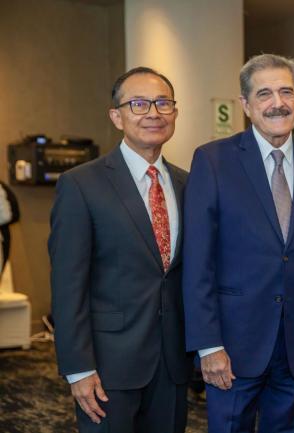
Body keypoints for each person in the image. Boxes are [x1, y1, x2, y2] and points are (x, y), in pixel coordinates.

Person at [182, 53, 294, 433]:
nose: (278, 103)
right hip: (232, 348)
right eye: (264, 94)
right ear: (245, 104)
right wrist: (208, 346)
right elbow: (198, 263)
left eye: (286, 92)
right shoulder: (213, 161)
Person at [49, 67, 192, 433]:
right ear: (116, 116)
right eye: (138, 104)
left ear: (175, 112)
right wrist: (78, 368)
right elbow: (68, 285)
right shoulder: (81, 185)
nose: (153, 113)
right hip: (107, 366)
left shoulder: (188, 184)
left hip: (173, 364)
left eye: (163, 103)